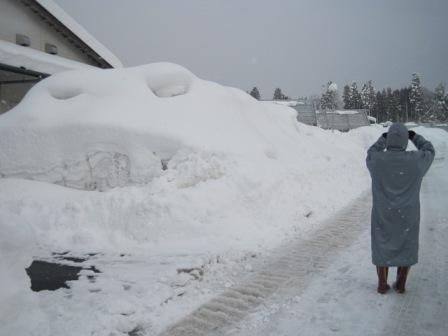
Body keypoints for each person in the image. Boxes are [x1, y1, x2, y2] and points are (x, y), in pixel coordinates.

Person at [366, 123, 435, 294]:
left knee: (381, 242)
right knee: (406, 243)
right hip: (408, 214)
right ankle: (401, 282)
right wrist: (415, 137)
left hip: (383, 212)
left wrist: (382, 140)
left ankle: (382, 283)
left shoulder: (377, 160)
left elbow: (371, 152)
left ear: (389, 139)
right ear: (405, 140)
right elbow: (430, 150)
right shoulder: (416, 160)